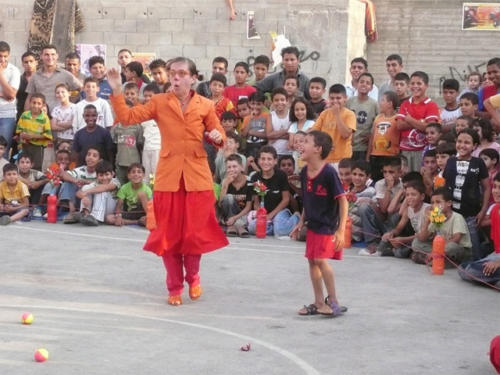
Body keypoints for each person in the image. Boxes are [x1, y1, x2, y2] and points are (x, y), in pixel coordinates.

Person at [108, 56, 228, 306]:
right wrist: (117, 90)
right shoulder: (159, 102)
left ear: (193, 78)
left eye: (182, 73)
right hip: (168, 177)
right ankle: (174, 287)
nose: (175, 77)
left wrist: (217, 136)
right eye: (172, 72)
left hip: (197, 178)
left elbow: (220, 137)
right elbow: (128, 117)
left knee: (194, 235)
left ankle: (193, 278)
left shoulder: (205, 105)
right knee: (168, 235)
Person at [290, 130, 348, 316]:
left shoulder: (329, 172)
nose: (300, 144)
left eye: (305, 141)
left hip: (327, 225)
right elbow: (308, 200)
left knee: (320, 260)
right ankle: (317, 302)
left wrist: (340, 230)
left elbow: (343, 200)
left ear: (317, 149)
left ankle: (333, 301)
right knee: (312, 262)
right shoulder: (305, 171)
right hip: (313, 224)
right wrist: (301, 221)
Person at [443, 128, 490, 260]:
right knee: (448, 240)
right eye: (459, 141)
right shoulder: (451, 161)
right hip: (451, 212)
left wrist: (483, 210)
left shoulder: (478, 163)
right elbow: (445, 186)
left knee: (473, 248)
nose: (462, 145)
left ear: (474, 146)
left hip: (471, 214)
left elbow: (486, 188)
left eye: (467, 142)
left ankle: (478, 265)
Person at [247, 145, 299, 237]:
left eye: (269, 159)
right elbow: (256, 202)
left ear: (275, 161)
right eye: (263, 159)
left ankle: (295, 218)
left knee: (280, 230)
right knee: (252, 227)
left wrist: (271, 215)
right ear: (258, 161)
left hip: (280, 211)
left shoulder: (281, 176)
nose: (265, 162)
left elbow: (286, 200)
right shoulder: (256, 178)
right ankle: (272, 227)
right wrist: (261, 215)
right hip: (264, 213)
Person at [458, 173, 500, 285]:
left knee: (471, 271)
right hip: (497, 254)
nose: (496, 191)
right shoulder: (496, 209)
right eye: (495, 187)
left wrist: (498, 262)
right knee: (463, 268)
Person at [413, 187, 472, 265]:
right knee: (416, 243)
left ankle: (436, 259)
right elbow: (422, 238)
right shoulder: (438, 217)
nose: (435, 205)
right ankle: (437, 259)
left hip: (459, 250)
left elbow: (456, 239)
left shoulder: (456, 217)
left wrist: (437, 251)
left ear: (449, 203)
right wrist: (427, 220)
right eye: (432, 203)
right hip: (441, 249)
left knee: (451, 246)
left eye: (438, 202)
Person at [358, 156, 403, 255]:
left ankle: (390, 242)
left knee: (396, 214)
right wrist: (389, 188)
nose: (387, 175)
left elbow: (392, 210)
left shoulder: (403, 185)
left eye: (391, 172)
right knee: (364, 207)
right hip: (383, 220)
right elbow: (383, 209)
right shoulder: (380, 184)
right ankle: (372, 242)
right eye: (385, 172)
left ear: (399, 172)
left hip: (396, 224)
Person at [396, 71, 440, 172]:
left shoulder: (431, 105)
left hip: (422, 150)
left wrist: (410, 119)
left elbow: (430, 128)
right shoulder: (405, 104)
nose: (415, 86)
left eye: (419, 83)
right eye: (412, 83)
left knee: (420, 178)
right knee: (406, 178)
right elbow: (399, 125)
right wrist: (421, 121)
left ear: (426, 86)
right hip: (405, 150)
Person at [378, 181, 429, 258]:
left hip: (427, 240)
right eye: (407, 195)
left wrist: (403, 240)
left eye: (413, 194)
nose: (410, 197)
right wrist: (391, 233)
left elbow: (424, 236)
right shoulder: (408, 210)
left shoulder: (428, 210)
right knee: (383, 242)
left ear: (422, 196)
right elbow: (399, 228)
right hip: (416, 239)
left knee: (402, 252)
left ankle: (396, 251)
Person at [312, 84, 356, 169]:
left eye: (338, 98)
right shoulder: (324, 114)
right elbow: (314, 133)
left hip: (343, 159)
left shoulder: (350, 114)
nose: (335, 101)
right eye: (332, 98)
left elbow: (346, 134)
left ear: (345, 98)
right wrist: (324, 143)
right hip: (325, 158)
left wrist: (337, 115)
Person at [25, 45, 82, 111]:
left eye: (53, 54)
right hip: (40, 116)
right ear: (41, 56)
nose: (50, 57)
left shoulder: (66, 74)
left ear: (57, 56)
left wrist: (70, 102)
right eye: (46, 55)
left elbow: (81, 89)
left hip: (60, 116)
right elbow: (29, 97)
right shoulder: (35, 76)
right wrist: (26, 115)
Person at [71, 159, 119, 226]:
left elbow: (105, 187)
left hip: (110, 212)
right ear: (97, 176)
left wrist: (86, 192)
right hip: (99, 210)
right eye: (101, 175)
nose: (104, 178)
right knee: (86, 188)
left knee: (101, 191)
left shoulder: (115, 181)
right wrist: (84, 197)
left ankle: (96, 218)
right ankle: (85, 214)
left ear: (112, 174)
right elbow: (78, 193)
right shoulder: (96, 183)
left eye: (107, 174)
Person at [60, 146, 101, 222]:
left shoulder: (101, 172)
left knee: (87, 187)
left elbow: (103, 185)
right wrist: (75, 180)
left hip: (93, 201)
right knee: (68, 183)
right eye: (88, 155)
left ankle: (87, 214)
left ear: (100, 160)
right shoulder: (81, 169)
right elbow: (64, 174)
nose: (90, 158)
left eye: (94, 156)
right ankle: (72, 212)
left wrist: (86, 182)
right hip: (79, 199)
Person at [111, 93, 144, 184]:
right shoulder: (116, 127)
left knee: (134, 185)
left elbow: (140, 144)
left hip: (134, 163)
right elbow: (113, 144)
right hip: (120, 162)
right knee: (120, 184)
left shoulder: (137, 127)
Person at [367, 91, 400, 182]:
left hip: (390, 156)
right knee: (376, 180)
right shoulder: (378, 118)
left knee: (389, 180)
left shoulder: (397, 118)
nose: (379, 103)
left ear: (390, 103)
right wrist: (368, 156)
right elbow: (372, 137)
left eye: (382, 100)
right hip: (375, 156)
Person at [218, 154, 253, 237]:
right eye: (229, 167)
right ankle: (232, 226)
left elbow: (248, 207)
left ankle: (236, 225)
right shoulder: (225, 181)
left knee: (242, 219)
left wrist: (235, 218)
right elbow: (220, 204)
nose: (232, 170)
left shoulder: (249, 181)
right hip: (228, 214)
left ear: (242, 167)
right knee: (229, 197)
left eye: (234, 166)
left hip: (243, 214)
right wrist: (225, 185)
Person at [16, 93, 52, 171]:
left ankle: (36, 182)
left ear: (43, 105)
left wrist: (33, 136)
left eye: (39, 103)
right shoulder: (24, 115)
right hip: (25, 145)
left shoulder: (44, 118)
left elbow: (47, 135)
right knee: (23, 164)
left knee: (36, 166)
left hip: (38, 147)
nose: (35, 105)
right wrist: (21, 137)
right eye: (34, 102)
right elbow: (19, 130)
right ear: (29, 103)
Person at [346, 72, 378, 160]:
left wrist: (372, 136)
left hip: (363, 148)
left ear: (371, 88)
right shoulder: (349, 102)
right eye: (362, 82)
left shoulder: (374, 104)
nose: (364, 84)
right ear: (357, 84)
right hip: (348, 145)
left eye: (368, 83)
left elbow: (378, 123)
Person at [0, 41, 21, 158]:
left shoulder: (14, 70)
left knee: (4, 149)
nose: (2, 59)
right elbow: (7, 94)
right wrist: (4, 94)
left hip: (7, 115)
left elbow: (12, 95)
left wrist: (0, 75)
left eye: (5, 56)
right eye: (0, 56)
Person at [348, 160, 376, 242]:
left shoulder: (370, 191)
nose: (357, 178)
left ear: (368, 177)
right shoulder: (347, 190)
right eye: (354, 174)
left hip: (359, 229)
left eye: (361, 175)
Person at [141, 84, 161, 183]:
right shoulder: (142, 112)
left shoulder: (161, 111)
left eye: (150, 96)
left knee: (157, 175)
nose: (147, 98)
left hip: (157, 148)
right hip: (146, 148)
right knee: (145, 176)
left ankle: (158, 197)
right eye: (145, 96)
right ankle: (147, 197)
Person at [241, 91, 270, 158]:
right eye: (253, 104)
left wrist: (252, 132)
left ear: (263, 104)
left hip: (263, 145)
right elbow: (244, 135)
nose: (255, 106)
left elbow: (267, 135)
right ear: (249, 103)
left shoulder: (267, 116)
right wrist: (250, 119)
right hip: (249, 145)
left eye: (258, 104)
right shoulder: (247, 118)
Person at [266, 88, 291, 156]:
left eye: (282, 100)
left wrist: (275, 136)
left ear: (287, 101)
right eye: (276, 100)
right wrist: (287, 130)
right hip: (274, 152)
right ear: (272, 102)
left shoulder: (292, 114)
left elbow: (291, 135)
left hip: (290, 152)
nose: (280, 102)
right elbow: (269, 135)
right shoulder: (271, 115)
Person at [16, 51, 38, 123]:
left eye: (31, 61)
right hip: (22, 115)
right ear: (22, 64)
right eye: (26, 62)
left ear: (36, 62)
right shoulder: (18, 80)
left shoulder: (42, 79)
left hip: (40, 116)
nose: (29, 64)